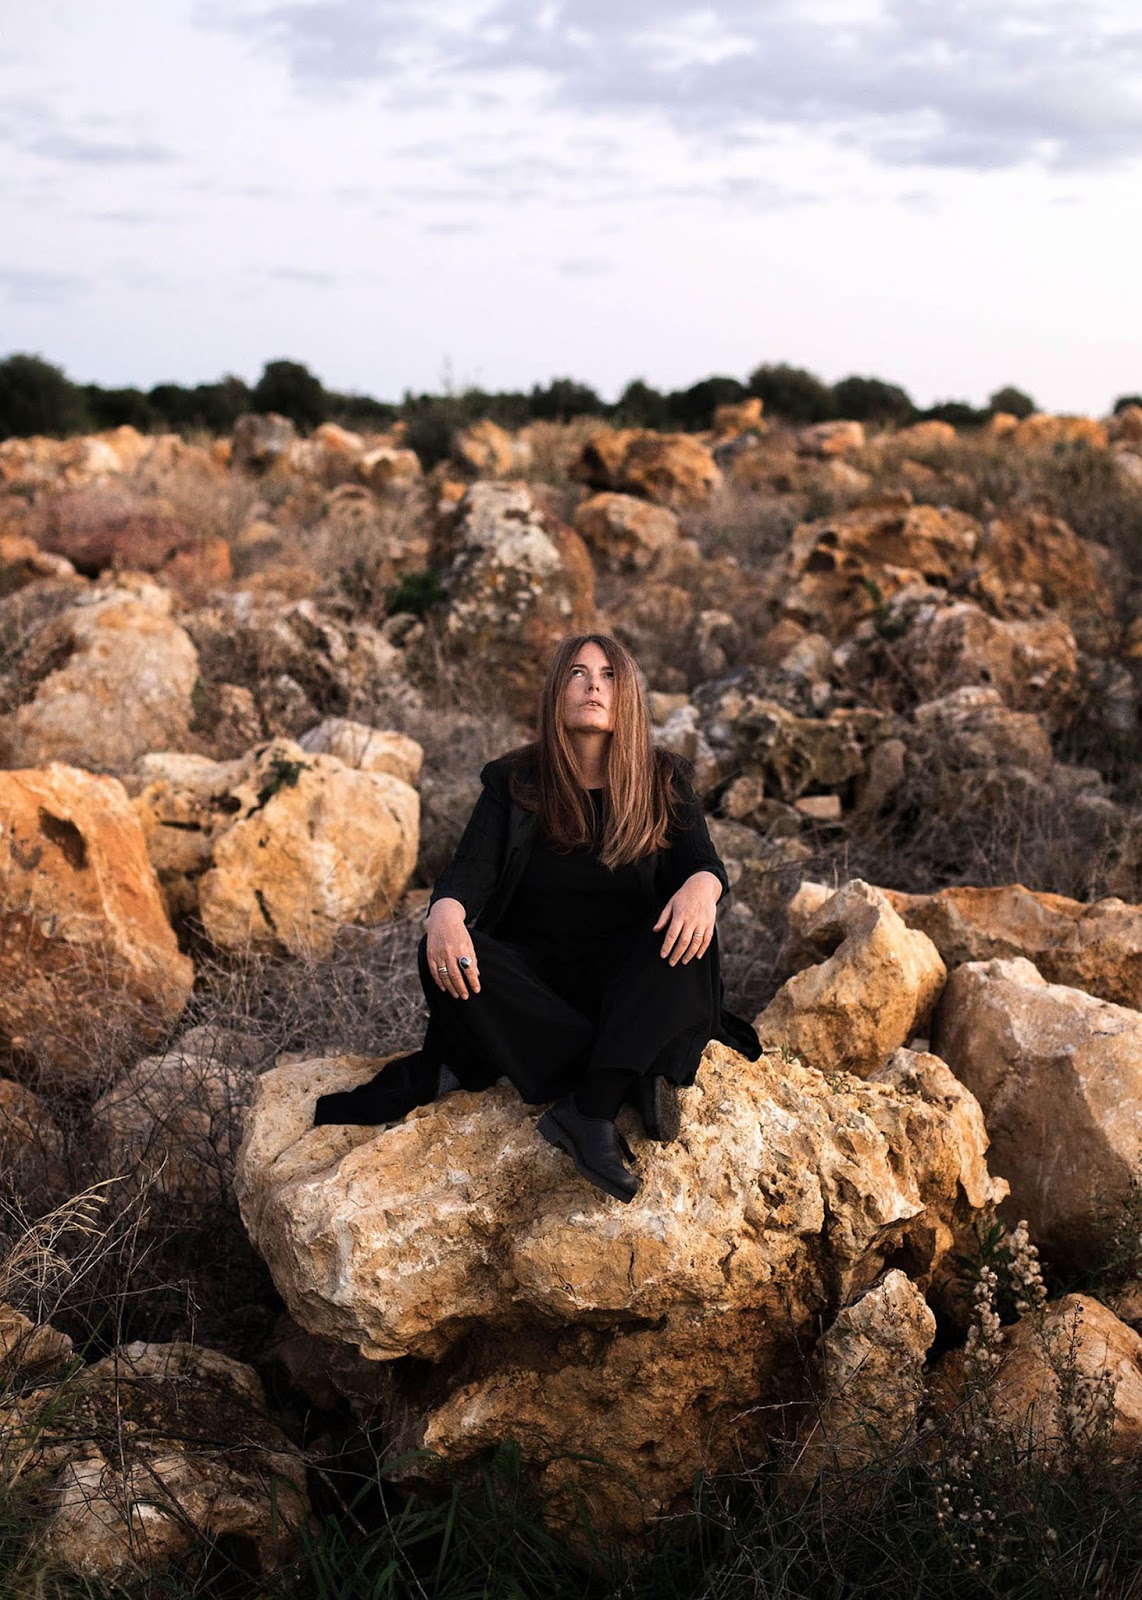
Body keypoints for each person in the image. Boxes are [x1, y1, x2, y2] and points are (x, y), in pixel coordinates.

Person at [313, 632, 760, 1203]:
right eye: (578, 673)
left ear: (627, 695)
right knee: (446, 955)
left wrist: (702, 887)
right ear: (556, 692)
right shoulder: (514, 781)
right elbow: (466, 876)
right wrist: (443, 916)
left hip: (633, 984)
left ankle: (589, 1109)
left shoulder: (664, 777)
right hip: (540, 991)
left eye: (608, 675)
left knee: (692, 938)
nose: (593, 686)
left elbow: (703, 864)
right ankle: (630, 1068)